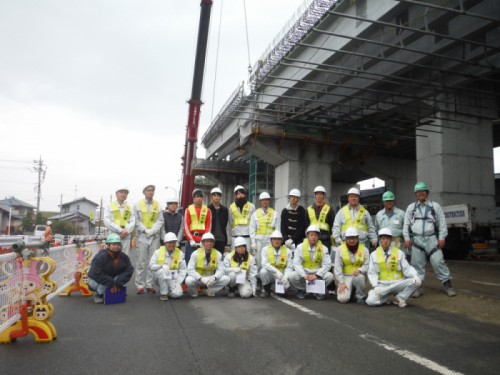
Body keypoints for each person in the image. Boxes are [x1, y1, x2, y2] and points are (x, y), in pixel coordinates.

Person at [403, 182, 456, 297]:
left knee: (438, 262)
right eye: (418, 192)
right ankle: (418, 287)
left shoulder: (435, 206)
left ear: (427, 193)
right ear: (415, 194)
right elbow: (406, 225)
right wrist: (407, 239)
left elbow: (442, 223)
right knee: (416, 266)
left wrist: (442, 238)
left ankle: (448, 285)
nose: (420, 193)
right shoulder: (411, 208)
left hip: (431, 239)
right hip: (417, 240)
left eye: (423, 191)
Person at [366, 228, 422, 307]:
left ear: (391, 240)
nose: (385, 241)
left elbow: (407, 268)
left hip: (397, 283)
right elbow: (372, 273)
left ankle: (401, 297)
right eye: (383, 239)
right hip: (383, 284)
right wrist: (375, 286)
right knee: (370, 301)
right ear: (380, 240)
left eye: (387, 239)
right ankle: (385, 297)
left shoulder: (399, 253)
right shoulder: (374, 254)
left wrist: (415, 275)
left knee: (417, 281)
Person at [289, 225, 334, 299]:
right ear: (307, 236)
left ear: (318, 237)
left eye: (315, 235)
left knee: (330, 276)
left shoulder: (324, 248)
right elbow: (296, 263)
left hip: (317, 272)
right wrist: (304, 275)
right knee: (292, 276)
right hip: (304, 272)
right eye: (311, 235)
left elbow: (327, 264)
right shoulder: (300, 247)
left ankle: (316, 290)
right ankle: (302, 290)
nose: (313, 237)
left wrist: (317, 275)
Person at [133, 184, 164, 294]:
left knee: (152, 261)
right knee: (141, 261)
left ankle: (149, 284)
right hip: (142, 236)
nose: (151, 192)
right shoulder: (137, 205)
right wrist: (146, 230)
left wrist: (152, 231)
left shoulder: (157, 205)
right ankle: (140, 285)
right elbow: (136, 220)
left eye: (152, 190)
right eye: (148, 190)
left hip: (154, 237)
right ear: (144, 192)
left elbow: (160, 220)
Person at [88, 233, 134, 304]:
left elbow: (129, 270)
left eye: (118, 244)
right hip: (95, 280)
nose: (116, 246)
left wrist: (118, 283)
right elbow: (95, 273)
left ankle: (111, 290)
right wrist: (112, 283)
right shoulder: (100, 256)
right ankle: (99, 294)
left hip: (112, 279)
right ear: (108, 245)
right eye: (114, 244)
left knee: (117, 279)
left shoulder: (124, 257)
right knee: (103, 284)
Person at [185, 233, 229, 297]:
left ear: (213, 243)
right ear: (203, 243)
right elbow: (190, 269)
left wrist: (214, 277)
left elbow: (221, 269)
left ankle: (209, 290)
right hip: (199, 278)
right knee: (188, 280)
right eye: (207, 241)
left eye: (211, 241)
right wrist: (201, 278)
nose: (209, 243)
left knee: (226, 279)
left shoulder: (218, 254)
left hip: (211, 279)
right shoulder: (195, 254)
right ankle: (194, 292)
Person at [334, 227, 369, 304]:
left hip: (357, 276)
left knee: (359, 277)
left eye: (354, 238)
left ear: (357, 238)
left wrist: (360, 270)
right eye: (349, 238)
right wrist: (341, 282)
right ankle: (350, 292)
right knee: (342, 299)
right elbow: (337, 267)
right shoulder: (339, 249)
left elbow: (367, 265)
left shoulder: (364, 250)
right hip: (345, 276)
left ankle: (360, 296)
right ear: (346, 239)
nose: (352, 241)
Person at [149, 232, 186, 301]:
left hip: (173, 277)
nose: (171, 245)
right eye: (169, 243)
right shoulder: (158, 252)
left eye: (173, 242)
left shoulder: (180, 254)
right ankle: (164, 293)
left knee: (178, 294)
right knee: (162, 271)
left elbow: (183, 270)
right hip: (159, 276)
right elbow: (151, 266)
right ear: (165, 243)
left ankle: (168, 290)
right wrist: (161, 266)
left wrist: (177, 282)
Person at [259, 230, 293, 297]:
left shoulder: (288, 251)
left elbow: (289, 267)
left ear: (282, 240)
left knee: (282, 294)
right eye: (274, 239)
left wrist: (285, 277)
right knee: (263, 271)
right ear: (271, 240)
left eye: (278, 239)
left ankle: (283, 289)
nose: (276, 241)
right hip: (272, 274)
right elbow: (264, 264)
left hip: (283, 276)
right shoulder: (265, 249)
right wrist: (277, 272)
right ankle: (267, 290)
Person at [104, 187, 136, 257]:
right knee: (112, 257)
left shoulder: (129, 207)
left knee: (125, 257)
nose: (123, 194)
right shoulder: (109, 206)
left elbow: (132, 221)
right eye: (121, 192)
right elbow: (107, 221)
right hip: (113, 236)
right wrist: (120, 230)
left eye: (125, 193)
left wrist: (126, 230)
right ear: (116, 194)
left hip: (126, 236)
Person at [250, 192, 279, 267]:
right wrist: (253, 242)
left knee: (270, 259)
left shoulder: (275, 213)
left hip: (270, 241)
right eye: (263, 200)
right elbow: (252, 229)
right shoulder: (255, 214)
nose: (265, 202)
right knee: (258, 260)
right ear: (260, 201)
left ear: (269, 201)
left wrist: (277, 241)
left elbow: (277, 229)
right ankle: (259, 277)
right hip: (259, 242)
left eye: (266, 200)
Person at [184, 189, 212, 264]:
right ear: (193, 198)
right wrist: (190, 239)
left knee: (201, 261)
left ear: (203, 198)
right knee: (189, 261)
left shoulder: (207, 210)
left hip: (202, 240)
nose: (198, 198)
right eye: (196, 197)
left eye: (200, 197)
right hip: (192, 239)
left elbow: (208, 226)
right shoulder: (188, 209)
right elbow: (186, 226)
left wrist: (204, 240)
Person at [305, 185, 335, 253]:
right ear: (315, 196)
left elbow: (332, 225)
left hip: (325, 239)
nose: (319, 196)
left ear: (324, 196)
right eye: (317, 194)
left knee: (325, 257)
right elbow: (306, 224)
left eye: (321, 194)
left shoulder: (329, 209)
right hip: (312, 239)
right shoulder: (309, 209)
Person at [229, 185, 256, 250]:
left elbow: (254, 222)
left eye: (242, 193)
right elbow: (230, 222)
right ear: (235, 196)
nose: (240, 195)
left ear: (245, 195)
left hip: (247, 237)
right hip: (235, 236)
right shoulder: (231, 207)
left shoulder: (251, 206)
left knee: (247, 256)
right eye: (238, 194)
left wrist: (253, 241)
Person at [280, 188, 306, 252]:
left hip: (299, 240)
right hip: (286, 241)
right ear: (289, 198)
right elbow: (282, 226)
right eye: (291, 197)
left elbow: (303, 226)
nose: (293, 199)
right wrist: (286, 238)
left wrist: (293, 239)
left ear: (298, 199)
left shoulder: (302, 210)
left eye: (295, 197)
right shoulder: (284, 211)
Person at [208, 187, 229, 255]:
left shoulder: (224, 210)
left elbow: (225, 223)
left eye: (218, 195)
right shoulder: (207, 209)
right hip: (210, 238)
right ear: (212, 197)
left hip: (221, 239)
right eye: (214, 195)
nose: (216, 197)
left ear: (220, 197)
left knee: (219, 259)